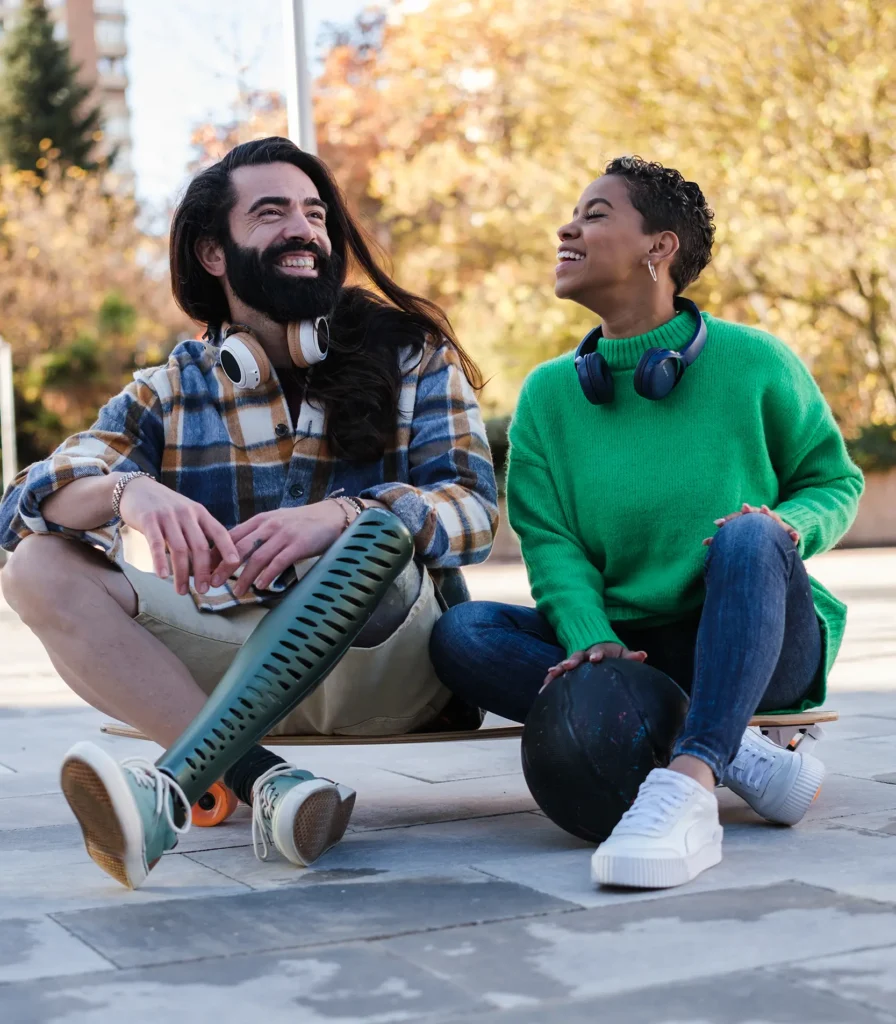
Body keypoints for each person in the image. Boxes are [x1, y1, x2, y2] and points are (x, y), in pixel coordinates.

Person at [0, 137, 498, 889]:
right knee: (36, 563)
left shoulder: (412, 354)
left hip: (390, 662)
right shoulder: (172, 386)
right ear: (213, 252)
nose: (304, 229)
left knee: (373, 533)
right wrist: (127, 492)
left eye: (315, 214)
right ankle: (274, 786)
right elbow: (28, 497)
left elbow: (473, 509)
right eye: (272, 213)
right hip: (231, 659)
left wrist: (340, 515)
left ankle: (172, 786)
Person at [430, 156, 863, 889]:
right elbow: (553, 544)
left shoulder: (754, 361)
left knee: (749, 533)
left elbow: (834, 481)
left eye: (595, 215)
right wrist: (589, 640)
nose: (567, 227)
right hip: (631, 650)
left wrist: (789, 525)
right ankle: (732, 746)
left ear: (659, 248)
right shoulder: (547, 396)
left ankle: (690, 782)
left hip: (756, 634)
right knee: (462, 633)